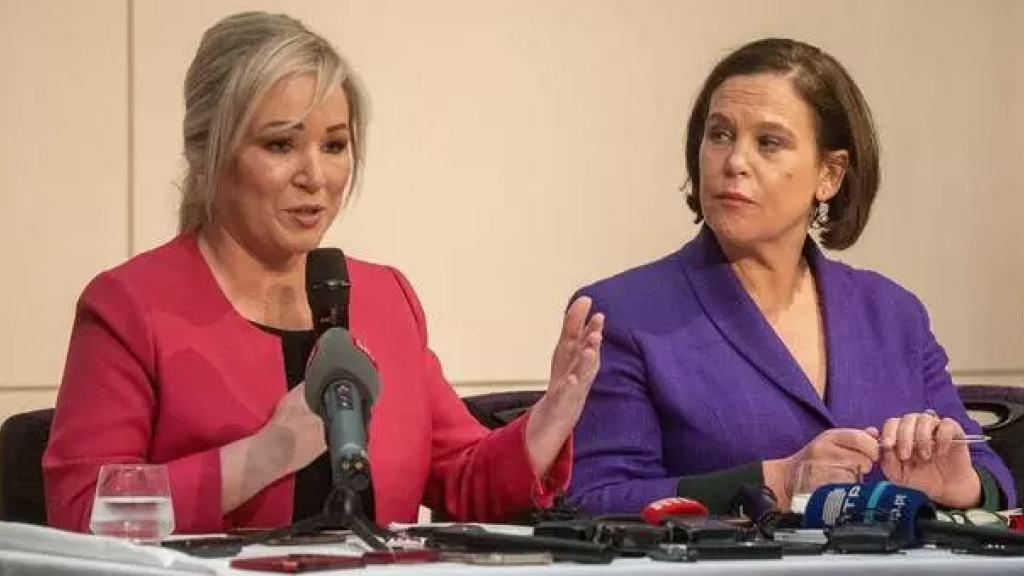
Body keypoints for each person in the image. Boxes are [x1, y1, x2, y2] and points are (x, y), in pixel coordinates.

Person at [43, 11, 604, 534]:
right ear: (207, 151)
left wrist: (547, 422)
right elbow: (83, 511)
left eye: (334, 145)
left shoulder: (385, 297)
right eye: (280, 144)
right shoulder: (130, 306)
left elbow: (460, 477)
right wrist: (258, 457)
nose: (316, 175)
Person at [566, 38, 1014, 516]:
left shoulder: (893, 313)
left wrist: (962, 485)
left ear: (830, 174)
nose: (734, 162)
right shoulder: (623, 314)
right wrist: (776, 482)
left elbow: (990, 471)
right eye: (718, 134)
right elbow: (597, 499)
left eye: (769, 143)